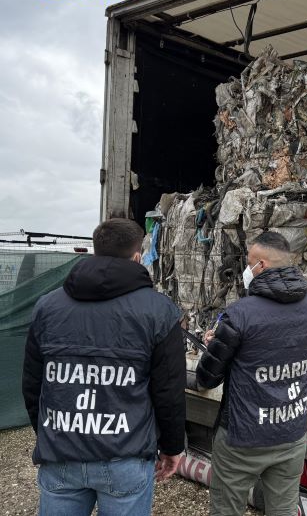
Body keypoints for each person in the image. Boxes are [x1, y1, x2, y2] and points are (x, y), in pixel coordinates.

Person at [22, 218, 186, 516]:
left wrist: (49, 434)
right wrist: (172, 447)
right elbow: (169, 390)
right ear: (137, 257)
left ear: (96, 250)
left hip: (61, 451)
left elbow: (33, 384)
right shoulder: (159, 311)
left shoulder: (47, 306)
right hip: (125, 455)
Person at [197, 231, 307, 516]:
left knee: (226, 509)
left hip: (242, 437)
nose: (246, 269)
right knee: (283, 509)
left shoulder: (240, 313)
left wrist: (216, 346)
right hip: (291, 432)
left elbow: (207, 378)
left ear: (261, 265)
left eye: (248, 263)